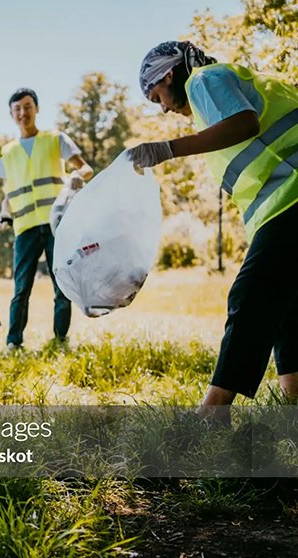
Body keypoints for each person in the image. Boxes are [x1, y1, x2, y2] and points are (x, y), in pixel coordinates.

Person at [127, 40, 298, 421]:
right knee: (286, 307)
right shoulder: (213, 101)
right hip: (284, 205)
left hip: (294, 197)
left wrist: (167, 149)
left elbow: (245, 124)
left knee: (250, 297)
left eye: (157, 97)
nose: (164, 109)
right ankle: (293, 405)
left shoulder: (203, 80)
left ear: (168, 74)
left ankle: (212, 415)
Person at [0, 88, 94, 351]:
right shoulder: (6, 153)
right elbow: (8, 194)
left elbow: (85, 167)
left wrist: (77, 177)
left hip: (56, 223)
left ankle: (60, 339)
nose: (22, 113)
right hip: (25, 227)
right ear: (11, 114)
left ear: (36, 109)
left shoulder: (55, 139)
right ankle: (13, 342)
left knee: (61, 285)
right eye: (17, 109)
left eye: (27, 106)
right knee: (21, 289)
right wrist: (3, 213)